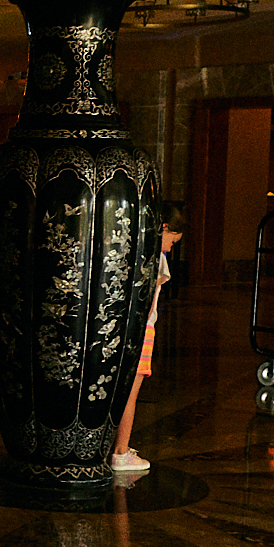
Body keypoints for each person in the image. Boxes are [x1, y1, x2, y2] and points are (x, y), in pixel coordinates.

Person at [110, 202, 185, 474]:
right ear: (164, 228)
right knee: (131, 390)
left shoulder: (132, 248)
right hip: (143, 330)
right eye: (172, 241)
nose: (170, 248)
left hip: (122, 327)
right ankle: (121, 450)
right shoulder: (156, 258)